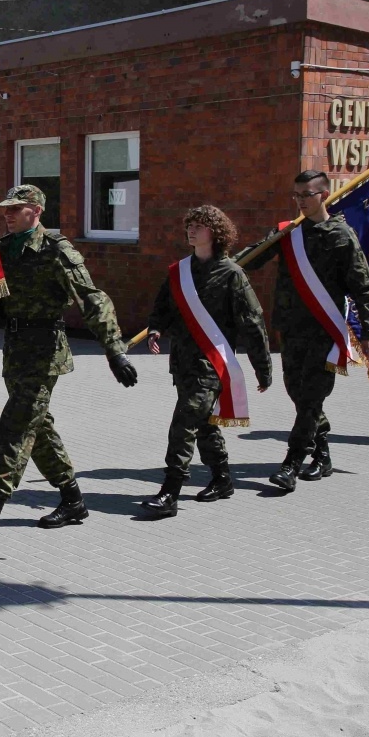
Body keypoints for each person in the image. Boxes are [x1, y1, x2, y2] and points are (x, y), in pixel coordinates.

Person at [0, 184, 137, 548]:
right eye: (5, 208)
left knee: (16, 428)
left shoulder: (56, 250)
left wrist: (115, 350)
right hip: (16, 351)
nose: (7, 214)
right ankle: (73, 499)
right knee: (39, 428)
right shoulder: (2, 250)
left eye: (15, 208)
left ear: (35, 210)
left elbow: (93, 299)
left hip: (46, 352)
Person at [245, 170, 369, 492]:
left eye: (306, 194)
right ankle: (322, 455)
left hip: (324, 331)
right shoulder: (289, 233)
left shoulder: (341, 235)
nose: (300, 201)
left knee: (311, 398)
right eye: (296, 195)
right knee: (299, 394)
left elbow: (364, 288)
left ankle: (291, 464)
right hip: (291, 328)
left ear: (324, 195)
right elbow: (250, 261)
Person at [141, 205, 272, 515]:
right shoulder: (179, 271)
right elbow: (162, 307)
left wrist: (263, 368)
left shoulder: (232, 274)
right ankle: (223, 478)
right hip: (183, 362)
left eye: (199, 226)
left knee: (183, 424)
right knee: (204, 424)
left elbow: (253, 323)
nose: (192, 230)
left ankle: (170, 492)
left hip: (211, 365)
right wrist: (155, 329)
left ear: (215, 232)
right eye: (190, 225)